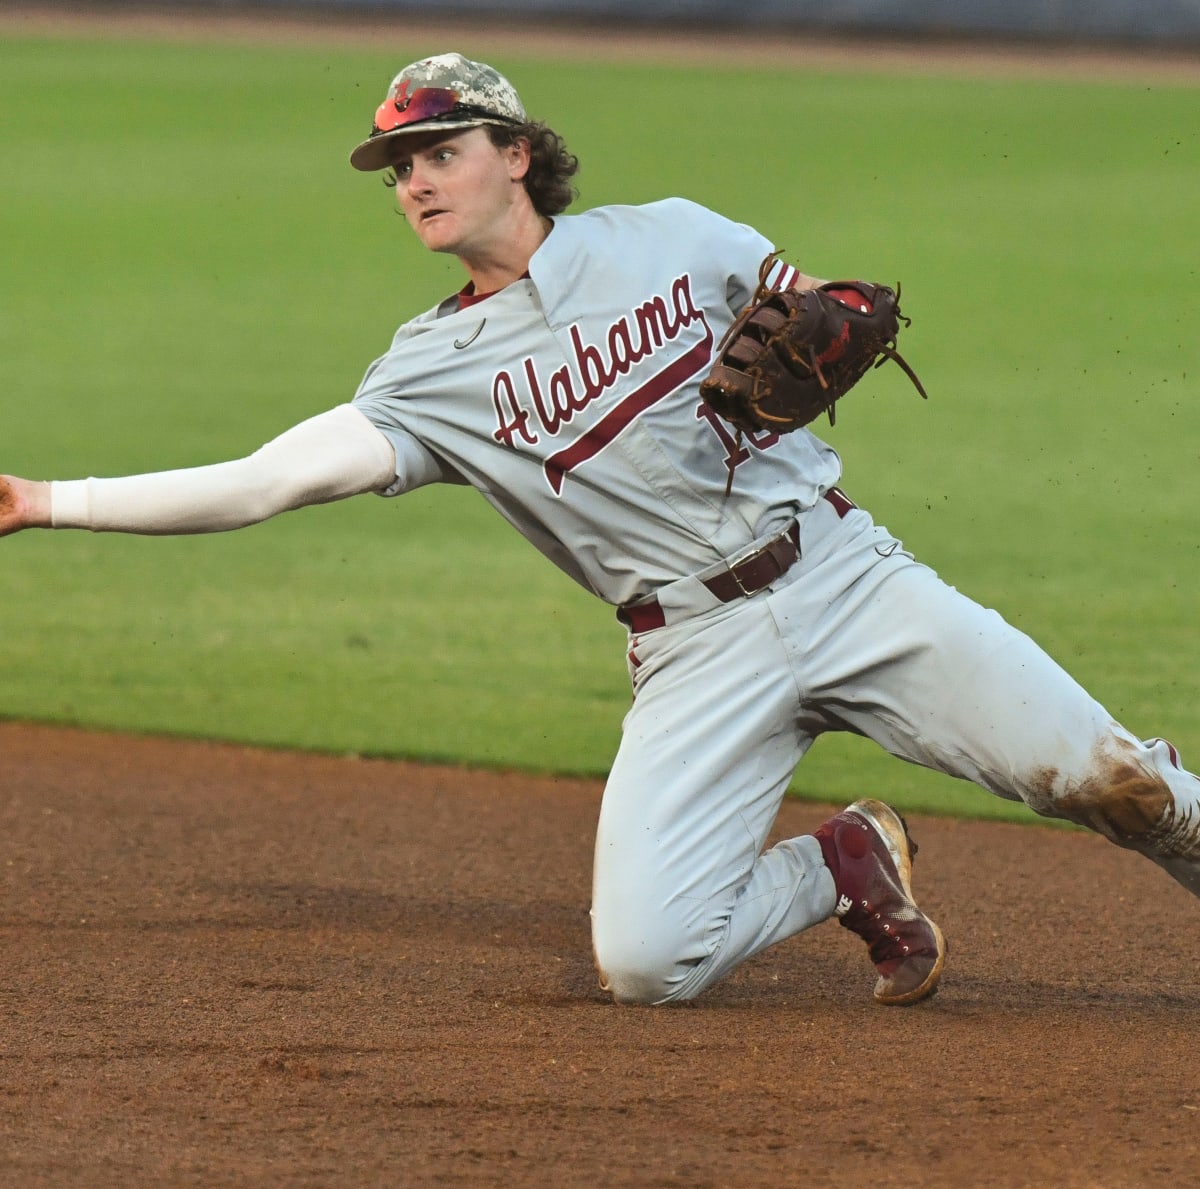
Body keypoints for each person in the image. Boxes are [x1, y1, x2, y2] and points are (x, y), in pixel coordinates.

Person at [3, 52, 1197, 1008]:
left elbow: (820, 308)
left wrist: (827, 313)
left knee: (1114, 785)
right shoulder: (426, 377)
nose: (414, 181)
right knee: (649, 962)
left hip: (844, 580)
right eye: (396, 167)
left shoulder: (671, 235)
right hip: (693, 653)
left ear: (516, 154)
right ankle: (842, 864)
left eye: (438, 151)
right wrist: (47, 501)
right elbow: (269, 482)